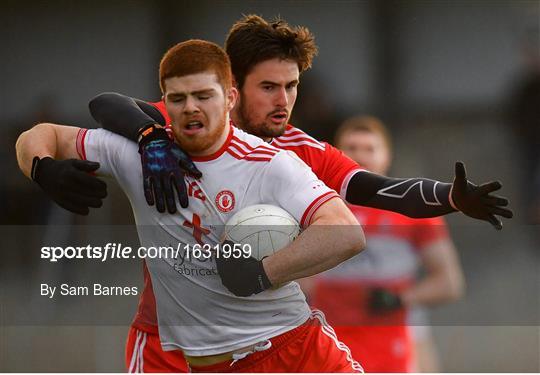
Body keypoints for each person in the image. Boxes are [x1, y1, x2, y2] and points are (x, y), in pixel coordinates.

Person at [38, 15, 511, 372]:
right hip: (177, 337)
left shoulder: (299, 153)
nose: (283, 100)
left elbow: (382, 190)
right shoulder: (182, 125)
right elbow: (105, 104)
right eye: (269, 87)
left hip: (275, 333)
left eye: (292, 86)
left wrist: (451, 197)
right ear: (232, 88)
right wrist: (151, 138)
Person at [16, 40, 367, 372]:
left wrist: (264, 272)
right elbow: (42, 135)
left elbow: (345, 232)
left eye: (203, 96)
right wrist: (42, 168)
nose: (191, 108)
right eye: (178, 98)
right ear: (164, 102)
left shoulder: (269, 163)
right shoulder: (142, 156)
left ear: (229, 97)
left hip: (293, 349)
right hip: (207, 364)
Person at [300, 116, 465, 372]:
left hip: (393, 338)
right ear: (337, 155)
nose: (361, 156)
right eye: (352, 149)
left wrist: (399, 299)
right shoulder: (314, 207)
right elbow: (299, 278)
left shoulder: (413, 210)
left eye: (370, 149)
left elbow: (449, 283)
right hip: (330, 337)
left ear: (387, 156)